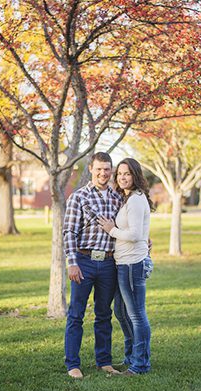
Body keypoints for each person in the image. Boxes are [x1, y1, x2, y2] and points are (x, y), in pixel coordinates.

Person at [63, 152, 127, 378]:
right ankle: (73, 364)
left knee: (103, 314)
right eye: (99, 169)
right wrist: (72, 263)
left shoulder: (118, 199)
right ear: (91, 169)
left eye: (107, 169)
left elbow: (125, 228)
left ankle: (104, 362)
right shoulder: (78, 197)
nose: (103, 173)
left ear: (112, 171)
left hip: (109, 263)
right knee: (76, 314)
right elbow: (69, 231)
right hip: (84, 261)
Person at [99, 158, 154, 375]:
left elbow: (135, 234)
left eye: (127, 173)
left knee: (137, 315)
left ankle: (140, 364)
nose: (122, 177)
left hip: (132, 264)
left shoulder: (136, 200)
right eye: (120, 173)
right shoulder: (128, 198)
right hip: (122, 263)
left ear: (136, 176)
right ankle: (133, 357)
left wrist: (111, 230)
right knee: (121, 312)